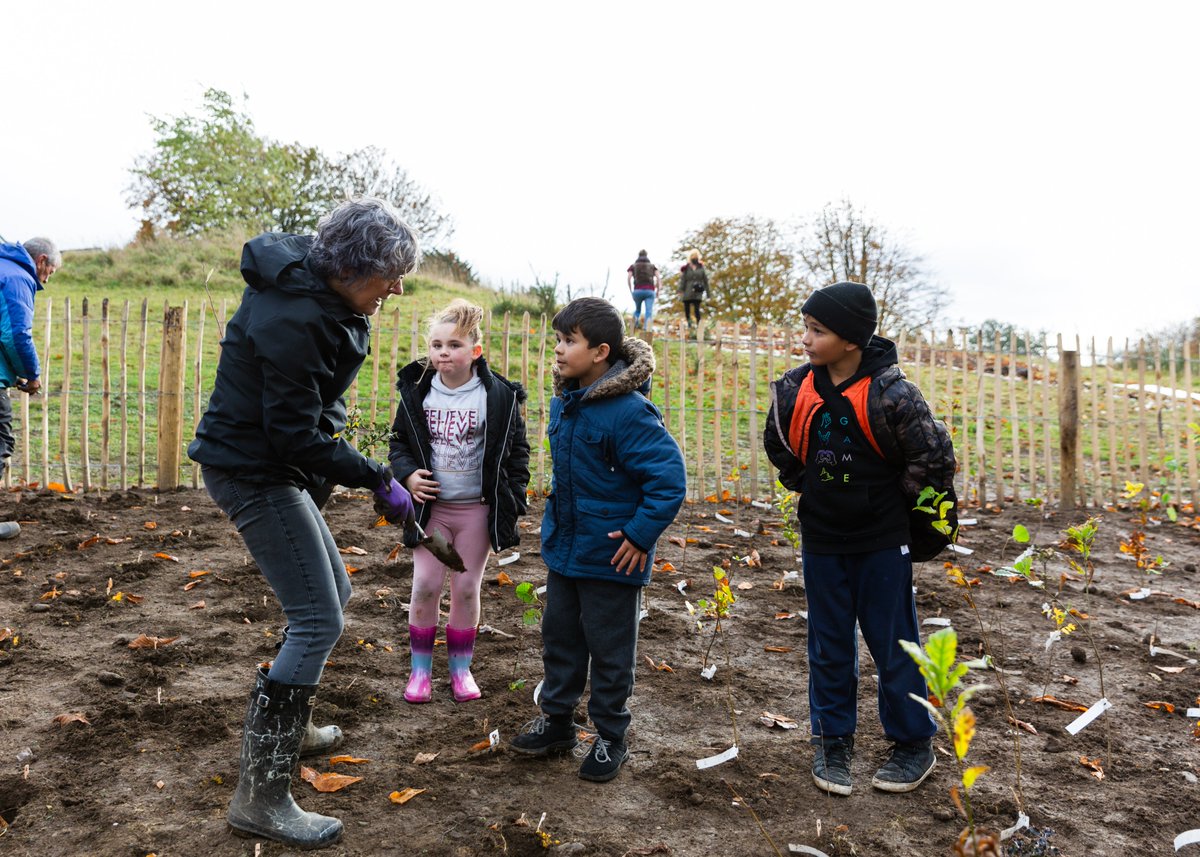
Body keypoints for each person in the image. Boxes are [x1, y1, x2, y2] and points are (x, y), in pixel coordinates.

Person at [187, 198, 419, 850]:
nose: (398, 288)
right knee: (319, 614)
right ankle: (259, 796)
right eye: (392, 275)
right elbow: (294, 434)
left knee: (332, 597)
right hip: (254, 469)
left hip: (270, 462)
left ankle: (295, 719)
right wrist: (377, 476)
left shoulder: (320, 289)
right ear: (355, 267)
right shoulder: (295, 315)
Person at [763, 281, 956, 797]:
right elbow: (779, 444)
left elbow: (933, 457)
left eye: (816, 330)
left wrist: (895, 506)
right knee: (829, 644)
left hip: (881, 542)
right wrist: (809, 487)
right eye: (805, 326)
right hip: (823, 539)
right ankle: (832, 741)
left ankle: (914, 743)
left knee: (895, 644)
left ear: (850, 339)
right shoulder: (795, 389)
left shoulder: (894, 393)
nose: (805, 338)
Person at [509, 297, 685, 782]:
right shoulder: (567, 402)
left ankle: (611, 736)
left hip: (613, 555)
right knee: (560, 639)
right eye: (558, 340)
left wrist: (639, 534)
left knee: (610, 650)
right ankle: (558, 722)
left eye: (570, 342)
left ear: (601, 351)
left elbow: (668, 481)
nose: (559, 350)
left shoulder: (628, 412)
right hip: (567, 549)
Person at [386, 298, 530, 704]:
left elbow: (518, 451)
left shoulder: (498, 396)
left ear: (475, 351)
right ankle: (420, 672)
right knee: (426, 586)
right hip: (433, 511)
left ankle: (461, 670)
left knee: (466, 589)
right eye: (436, 345)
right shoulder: (417, 393)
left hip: (477, 511)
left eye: (453, 345)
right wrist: (408, 475)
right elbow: (399, 443)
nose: (443, 353)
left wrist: (513, 497)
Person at [0, 236, 60, 540]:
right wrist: (32, 375)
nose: (47, 280)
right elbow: (15, 335)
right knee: (0, 440)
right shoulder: (17, 278)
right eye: (50, 272)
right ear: (41, 261)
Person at [625, 250, 661, 331]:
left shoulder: (633, 266)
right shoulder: (652, 266)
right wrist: (658, 291)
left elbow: (629, 278)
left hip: (637, 290)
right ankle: (647, 328)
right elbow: (659, 278)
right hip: (650, 291)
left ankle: (634, 325)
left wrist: (631, 290)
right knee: (649, 311)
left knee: (637, 310)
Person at [678, 248, 708, 334]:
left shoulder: (701, 268)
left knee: (697, 310)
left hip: (697, 292)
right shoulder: (686, 268)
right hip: (687, 291)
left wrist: (708, 293)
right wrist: (680, 290)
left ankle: (699, 327)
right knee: (687, 310)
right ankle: (690, 325)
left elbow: (705, 280)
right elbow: (683, 280)